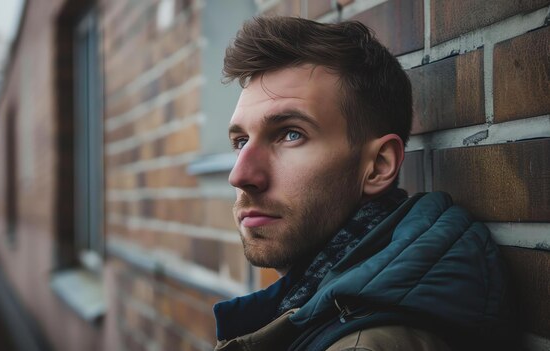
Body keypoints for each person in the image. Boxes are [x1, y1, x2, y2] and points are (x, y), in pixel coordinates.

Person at [213, 17, 514, 351]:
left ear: (378, 166)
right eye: (241, 141)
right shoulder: (317, 302)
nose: (240, 175)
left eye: (291, 134)